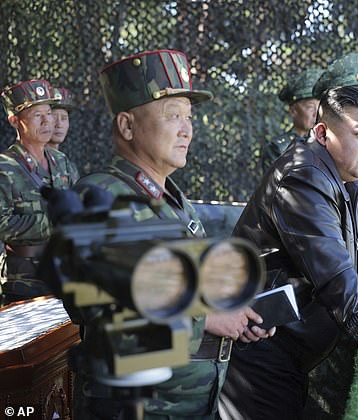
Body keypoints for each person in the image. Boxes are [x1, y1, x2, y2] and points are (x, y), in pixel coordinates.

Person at [73, 49, 273, 419]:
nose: (186, 129)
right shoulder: (99, 197)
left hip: (191, 402)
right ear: (127, 126)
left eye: (188, 117)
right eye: (172, 116)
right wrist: (208, 320)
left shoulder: (172, 199)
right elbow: (100, 309)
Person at [221, 86, 358, 419]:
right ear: (322, 133)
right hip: (259, 347)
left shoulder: (342, 175)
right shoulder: (304, 175)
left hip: (285, 349)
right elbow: (330, 260)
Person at [0, 79, 79, 304]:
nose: (48, 121)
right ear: (15, 121)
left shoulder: (61, 161)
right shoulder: (5, 168)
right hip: (24, 283)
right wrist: (53, 223)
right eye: (37, 115)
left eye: (49, 113)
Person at [260, 68, 323, 172]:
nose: (316, 113)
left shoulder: (328, 143)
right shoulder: (279, 148)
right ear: (293, 111)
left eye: (320, 107)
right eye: (310, 107)